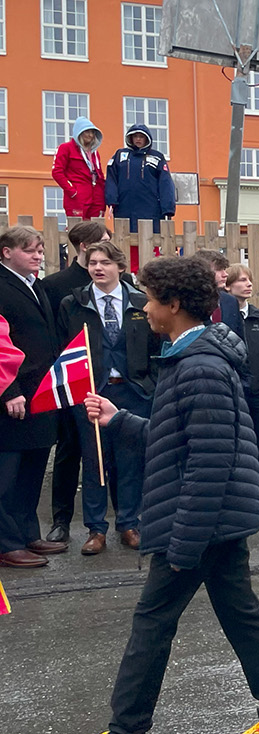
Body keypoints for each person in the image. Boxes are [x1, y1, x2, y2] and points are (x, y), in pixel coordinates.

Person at [52, 256, 259, 734]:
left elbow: (210, 463)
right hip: (213, 520)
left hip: (199, 521)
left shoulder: (199, 366)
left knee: (152, 622)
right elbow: (179, 438)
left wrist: (182, 543)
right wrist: (119, 418)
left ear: (173, 305)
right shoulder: (190, 356)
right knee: (240, 614)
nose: (143, 308)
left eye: (149, 299)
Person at [57, 241, 159, 554]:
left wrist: (150, 384)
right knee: (94, 461)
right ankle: (95, 529)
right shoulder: (73, 304)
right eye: (92, 263)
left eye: (105, 263)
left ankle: (129, 522)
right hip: (92, 392)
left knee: (131, 461)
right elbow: (63, 349)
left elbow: (157, 347)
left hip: (134, 391)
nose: (98, 268)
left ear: (120, 267)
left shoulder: (141, 302)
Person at [40, 221, 115, 544]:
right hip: (73, 382)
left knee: (113, 453)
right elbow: (51, 335)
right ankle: (61, 519)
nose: (102, 262)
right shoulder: (56, 286)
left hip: (111, 382)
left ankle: (119, 522)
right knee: (70, 451)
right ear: (84, 247)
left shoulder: (120, 282)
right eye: (102, 242)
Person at [0, 226, 62, 568]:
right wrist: (9, 390)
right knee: (6, 474)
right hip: (12, 394)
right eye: (30, 250)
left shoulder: (35, 285)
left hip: (41, 391)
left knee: (32, 469)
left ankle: (26, 532)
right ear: (7, 252)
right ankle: (6, 542)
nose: (38, 256)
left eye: (39, 250)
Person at [225, 265, 259, 489]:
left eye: (249, 280)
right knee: (234, 444)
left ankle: (258, 489)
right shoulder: (222, 320)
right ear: (228, 286)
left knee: (258, 445)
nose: (248, 284)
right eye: (242, 280)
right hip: (233, 393)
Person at [104, 124, 176, 232]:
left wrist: (168, 209)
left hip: (150, 209)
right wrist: (111, 200)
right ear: (131, 138)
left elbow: (165, 184)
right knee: (125, 240)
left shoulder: (157, 157)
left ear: (147, 139)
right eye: (135, 136)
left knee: (150, 241)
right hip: (124, 207)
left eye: (141, 136)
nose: (138, 139)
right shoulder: (120, 155)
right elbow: (111, 178)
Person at [51, 116, 107, 219]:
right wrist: (72, 191)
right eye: (87, 132)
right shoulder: (65, 148)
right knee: (78, 229)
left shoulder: (94, 152)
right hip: (78, 197)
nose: (90, 135)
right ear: (79, 132)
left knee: (96, 229)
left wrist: (104, 193)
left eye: (92, 132)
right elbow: (57, 172)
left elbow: (99, 174)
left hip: (96, 197)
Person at [191, 250, 244, 341]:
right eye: (219, 270)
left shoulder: (230, 301)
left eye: (224, 269)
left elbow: (240, 340)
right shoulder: (186, 302)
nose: (225, 274)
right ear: (201, 271)